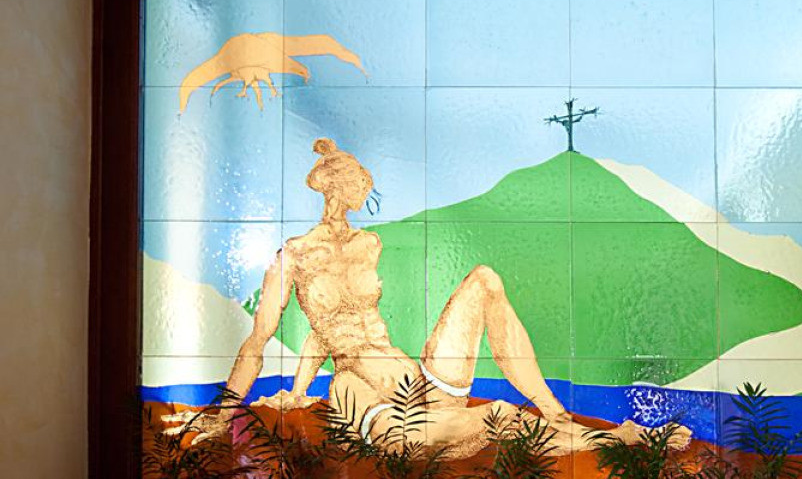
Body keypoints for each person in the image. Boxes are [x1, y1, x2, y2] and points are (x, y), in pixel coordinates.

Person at [166, 138, 689, 458]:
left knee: (484, 280)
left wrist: (299, 385)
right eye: (359, 184)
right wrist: (225, 412)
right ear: (338, 187)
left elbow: (343, 318)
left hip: (412, 376)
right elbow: (265, 340)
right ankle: (619, 439)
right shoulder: (293, 256)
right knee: (492, 419)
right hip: (357, 387)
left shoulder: (369, 245)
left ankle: (554, 412)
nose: (364, 193)